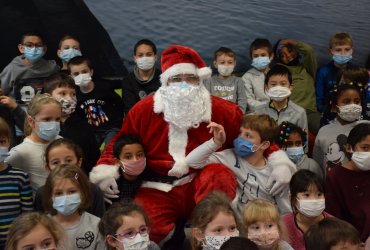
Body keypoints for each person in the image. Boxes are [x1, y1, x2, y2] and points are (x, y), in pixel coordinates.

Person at [91, 45, 293, 245]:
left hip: (203, 180)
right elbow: (120, 142)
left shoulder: (225, 111)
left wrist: (280, 163)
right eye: (176, 79)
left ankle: (219, 241)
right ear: (165, 82)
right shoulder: (143, 111)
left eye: (191, 79)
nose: (184, 86)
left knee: (218, 175)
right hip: (159, 186)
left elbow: (255, 137)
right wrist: (106, 169)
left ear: (201, 80)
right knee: (145, 228)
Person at [186, 114, 294, 215]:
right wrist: (215, 142)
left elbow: (286, 211)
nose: (241, 138)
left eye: (248, 135)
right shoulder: (230, 156)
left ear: (264, 145)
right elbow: (192, 162)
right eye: (240, 133)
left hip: (266, 227)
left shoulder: (275, 172)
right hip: (239, 228)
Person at [43, 72, 101, 174]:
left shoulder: (84, 127)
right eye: (62, 93)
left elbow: (95, 160)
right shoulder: (43, 127)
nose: (69, 98)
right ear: (48, 97)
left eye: (73, 94)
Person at [34, 138, 105, 217]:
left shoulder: (93, 190)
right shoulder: (42, 193)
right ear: (48, 168)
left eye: (69, 160)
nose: (63, 166)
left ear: (79, 163)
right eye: (56, 162)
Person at [6, 93, 62, 192]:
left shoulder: (62, 142)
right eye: (47, 119)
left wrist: (76, 180)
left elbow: (74, 173)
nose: (54, 124)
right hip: (41, 205)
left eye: (57, 119)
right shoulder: (21, 152)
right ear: (31, 121)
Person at [43, 164, 105, 249]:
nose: (65, 198)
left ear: (83, 193)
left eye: (72, 191)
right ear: (50, 196)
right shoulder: (43, 226)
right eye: (58, 193)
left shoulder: (96, 225)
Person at [325, 123, 370, 240]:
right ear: (349, 148)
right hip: (350, 241)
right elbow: (333, 218)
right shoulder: (335, 176)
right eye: (365, 148)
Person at [68, 56, 123, 147]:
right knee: (88, 150)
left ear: (91, 72)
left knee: (110, 148)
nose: (81, 76)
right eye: (76, 74)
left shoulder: (104, 87)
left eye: (84, 72)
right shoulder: (74, 95)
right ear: (71, 77)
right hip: (92, 131)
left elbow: (119, 103)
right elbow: (78, 116)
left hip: (111, 128)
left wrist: (118, 123)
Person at [313, 82, 367, 173]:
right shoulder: (324, 131)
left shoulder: (367, 128)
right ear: (335, 107)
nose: (353, 105)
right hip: (332, 184)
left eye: (357, 101)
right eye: (346, 101)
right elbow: (318, 164)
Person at [274, 38, 320, 135]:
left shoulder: (307, 68)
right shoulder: (279, 70)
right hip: (291, 112)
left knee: (321, 129)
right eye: (283, 55)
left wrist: (295, 43)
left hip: (309, 111)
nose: (288, 55)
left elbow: (309, 51)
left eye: (290, 51)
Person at [0, 31, 59, 105]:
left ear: (44, 48)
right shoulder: (12, 69)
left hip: (44, 112)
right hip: (17, 111)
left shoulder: (52, 68)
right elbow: (2, 92)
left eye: (38, 45)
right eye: (29, 45)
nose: (34, 49)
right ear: (21, 48)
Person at [0, 117, 33, 249]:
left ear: (9, 142)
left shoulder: (20, 177)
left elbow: (27, 215)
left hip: (15, 243)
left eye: (1, 141)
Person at [90, 134, 146, 205]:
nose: (135, 160)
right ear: (118, 162)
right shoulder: (110, 185)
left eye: (139, 155)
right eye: (128, 157)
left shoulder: (149, 180)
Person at [283, 169, 331, 250]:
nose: (314, 200)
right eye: (307, 195)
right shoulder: (283, 224)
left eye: (319, 194)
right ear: (293, 199)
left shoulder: (334, 226)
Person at [255, 64, 308, 132]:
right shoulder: (259, 111)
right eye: (273, 84)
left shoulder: (300, 113)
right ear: (266, 87)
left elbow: (303, 140)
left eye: (283, 84)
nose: (278, 88)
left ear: (290, 87)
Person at [315, 33, 355, 115]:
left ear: (352, 51)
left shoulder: (356, 72)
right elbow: (319, 100)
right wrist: (328, 112)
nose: (343, 53)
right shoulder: (323, 72)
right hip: (329, 112)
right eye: (338, 50)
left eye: (347, 49)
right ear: (330, 52)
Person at [121, 39, 161, 116]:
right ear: (135, 58)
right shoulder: (128, 81)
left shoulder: (164, 78)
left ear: (155, 57)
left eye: (149, 54)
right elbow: (130, 112)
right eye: (140, 55)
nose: (144, 58)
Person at [203, 47, 247, 112]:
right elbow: (205, 101)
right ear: (215, 64)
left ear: (234, 63)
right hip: (214, 115)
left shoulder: (238, 81)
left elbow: (242, 101)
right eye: (222, 62)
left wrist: (238, 115)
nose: (226, 65)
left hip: (233, 115)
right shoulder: (209, 81)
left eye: (230, 62)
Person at [242, 38, 273, 112]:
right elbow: (249, 101)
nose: (259, 58)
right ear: (251, 58)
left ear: (271, 56)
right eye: (256, 56)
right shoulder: (247, 77)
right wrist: (268, 107)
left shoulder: (277, 74)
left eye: (263, 55)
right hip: (258, 113)